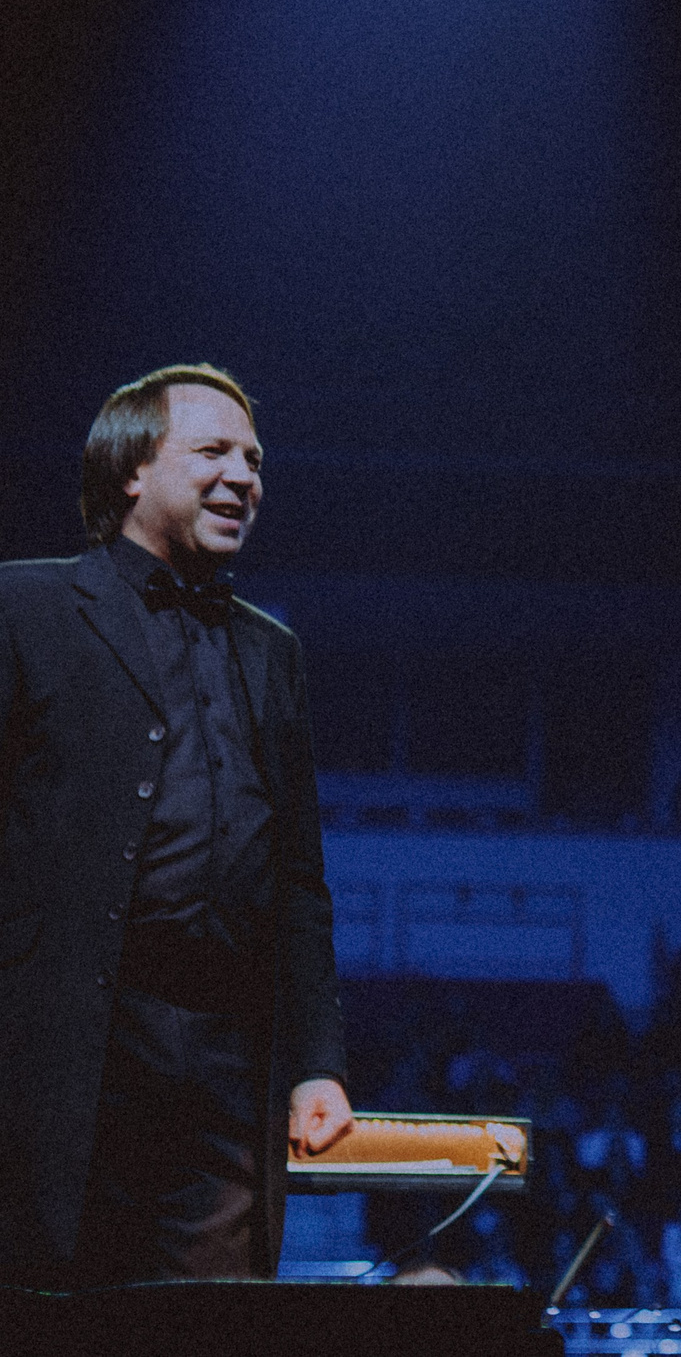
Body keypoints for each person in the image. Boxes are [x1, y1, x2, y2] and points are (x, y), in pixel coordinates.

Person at [0, 366, 352, 1284]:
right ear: (130, 470)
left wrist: (318, 1062)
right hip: (68, 1052)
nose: (245, 475)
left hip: (227, 1065)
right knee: (58, 1310)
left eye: (255, 458)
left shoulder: (273, 651)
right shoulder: (24, 609)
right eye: (213, 451)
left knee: (212, 1318)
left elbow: (300, 879)